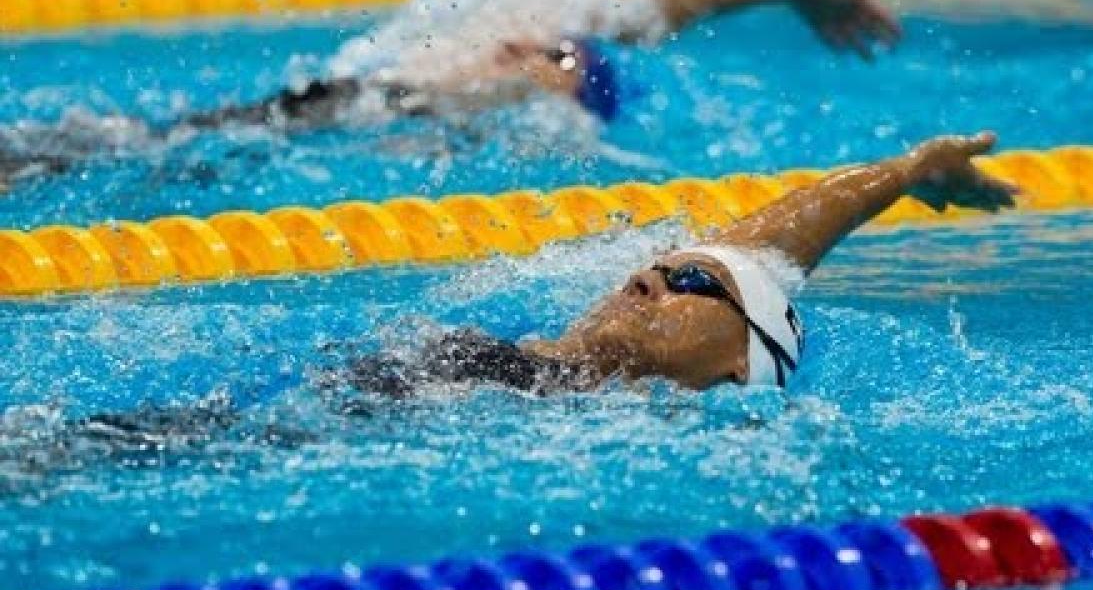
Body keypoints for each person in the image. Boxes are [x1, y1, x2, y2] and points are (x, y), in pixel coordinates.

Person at [0, 0, 898, 186]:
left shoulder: (468, 95)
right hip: (299, 122)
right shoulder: (505, 64)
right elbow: (644, 11)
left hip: (284, 124)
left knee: (102, 150)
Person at [351, 131, 1017, 394]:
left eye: (691, 281)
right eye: (659, 267)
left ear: (739, 359)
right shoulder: (521, 370)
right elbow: (763, 247)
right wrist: (906, 170)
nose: (645, 277)